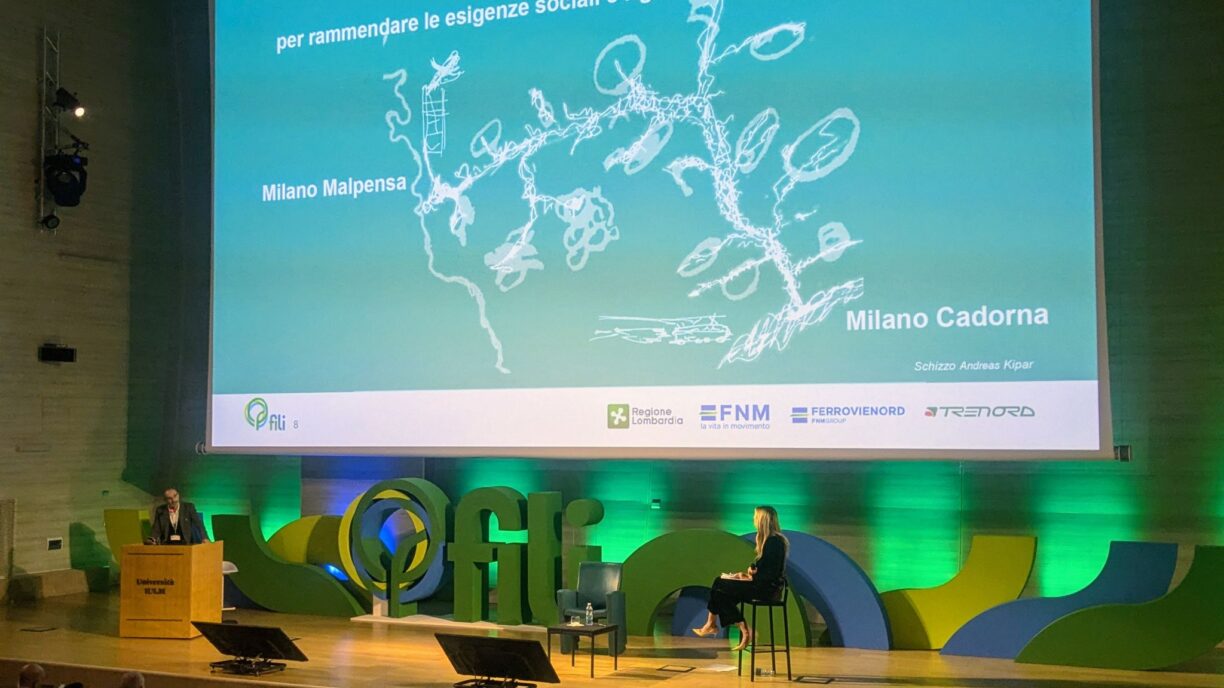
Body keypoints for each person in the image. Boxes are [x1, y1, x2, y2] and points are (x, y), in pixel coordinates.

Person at [692, 505, 789, 651]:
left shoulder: (773, 542)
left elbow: (770, 574)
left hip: (766, 590)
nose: (753, 520)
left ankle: (728, 627)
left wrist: (749, 576)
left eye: (755, 517)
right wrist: (747, 574)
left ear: (762, 520)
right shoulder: (771, 541)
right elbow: (765, 569)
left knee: (719, 585)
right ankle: (730, 627)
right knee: (721, 592)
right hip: (763, 585)